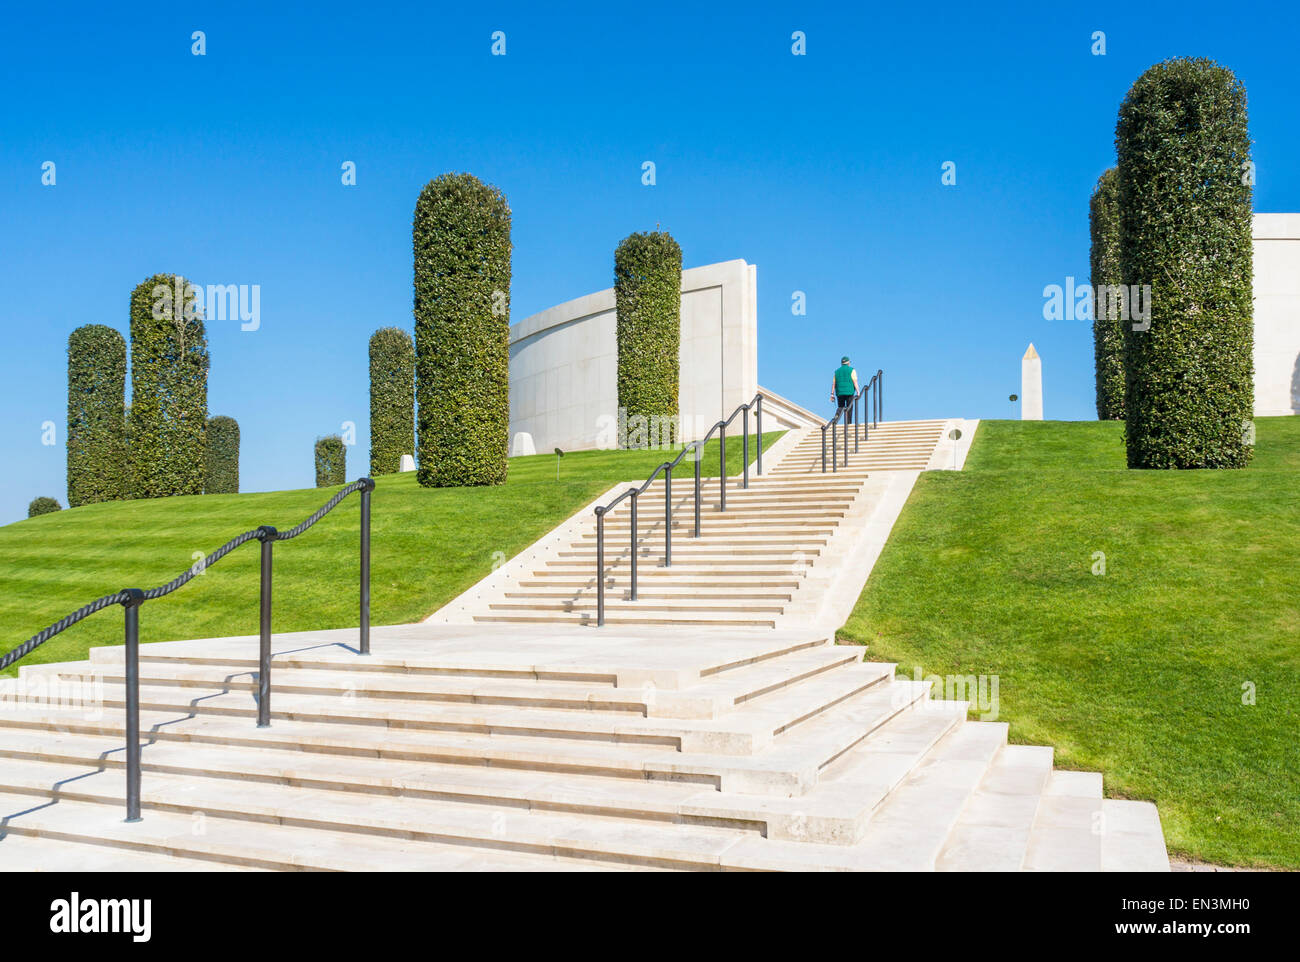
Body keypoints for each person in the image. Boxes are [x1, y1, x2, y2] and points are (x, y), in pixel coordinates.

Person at [831, 355, 859, 423]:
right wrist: (858, 392)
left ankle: (836, 417)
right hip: (849, 392)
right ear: (848, 363)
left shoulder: (836, 372)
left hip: (839, 393)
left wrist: (832, 394)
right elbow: (855, 382)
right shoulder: (852, 370)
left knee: (840, 407)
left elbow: (834, 384)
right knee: (849, 408)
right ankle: (848, 423)